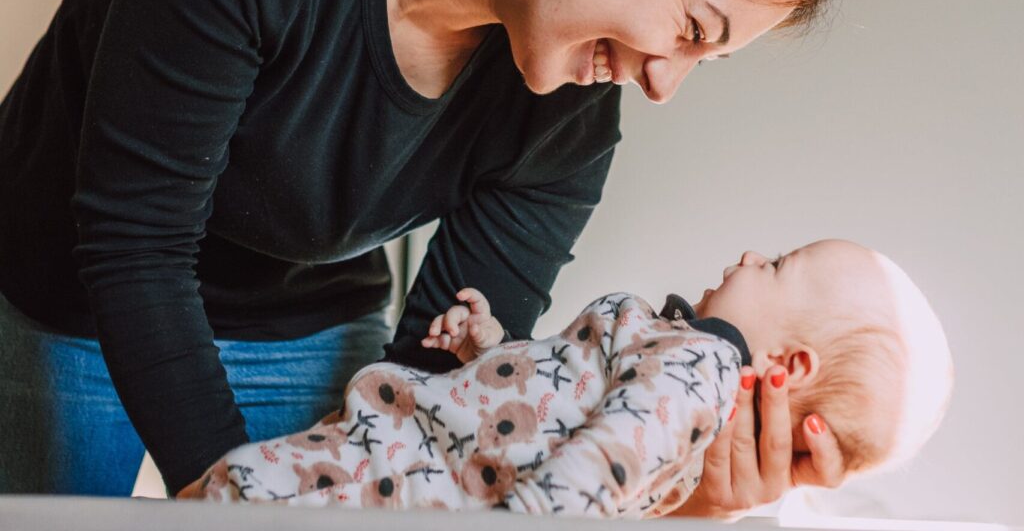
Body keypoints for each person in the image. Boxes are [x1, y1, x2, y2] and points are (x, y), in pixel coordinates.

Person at [0, 0, 849, 510]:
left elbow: (444, 429)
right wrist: (245, 505)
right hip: (69, 288)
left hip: (305, 320)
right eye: (694, 29)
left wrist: (671, 494)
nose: (665, 83)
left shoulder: (571, 117)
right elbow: (133, 239)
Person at [190, 240, 953, 516]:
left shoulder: (697, 368)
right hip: (401, 459)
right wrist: (488, 350)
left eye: (780, 264)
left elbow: (587, 475)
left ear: (789, 366)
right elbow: (549, 411)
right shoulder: (680, 362)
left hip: (401, 475)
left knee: (223, 495)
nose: (753, 254)